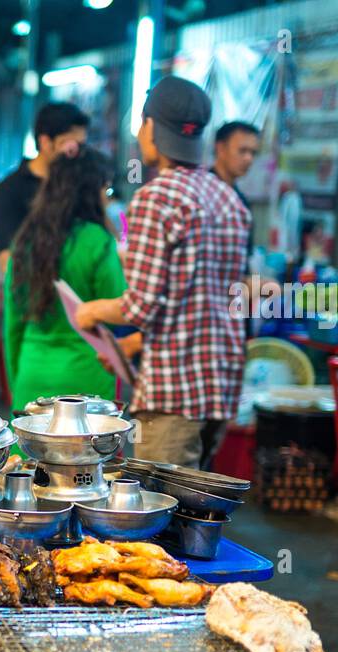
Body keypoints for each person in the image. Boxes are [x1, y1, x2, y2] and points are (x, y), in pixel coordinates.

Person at [76, 76, 251, 471]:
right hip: (221, 384)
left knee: (161, 513)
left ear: (151, 127)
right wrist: (132, 347)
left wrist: (91, 311)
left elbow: (140, 305)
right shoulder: (227, 197)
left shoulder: (155, 198)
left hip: (174, 393)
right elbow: (200, 301)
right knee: (197, 511)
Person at [5, 146, 131, 409]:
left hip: (32, 378)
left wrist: (16, 384)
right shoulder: (98, 241)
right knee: (88, 452)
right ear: (91, 192)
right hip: (86, 384)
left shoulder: (24, 241)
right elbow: (120, 306)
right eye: (105, 190)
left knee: (28, 451)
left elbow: (13, 325)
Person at [0, 102, 89, 271]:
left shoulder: (82, 184)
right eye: (71, 146)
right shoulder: (9, 190)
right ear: (45, 142)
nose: (78, 154)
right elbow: (9, 263)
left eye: (82, 145)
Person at [212, 121, 260, 257]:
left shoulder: (241, 202)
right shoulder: (202, 192)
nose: (248, 159)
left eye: (253, 153)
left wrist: (255, 279)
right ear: (221, 149)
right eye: (242, 151)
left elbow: (246, 260)